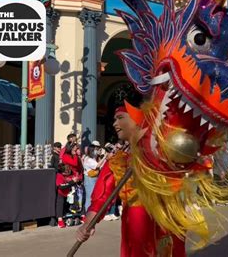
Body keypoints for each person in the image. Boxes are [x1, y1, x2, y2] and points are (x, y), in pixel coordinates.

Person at [76, 105, 186, 256]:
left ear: (138, 119)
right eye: (115, 119)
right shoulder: (117, 161)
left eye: (120, 118)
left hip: (165, 221)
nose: (115, 124)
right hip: (134, 223)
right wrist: (88, 223)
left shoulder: (163, 152)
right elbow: (101, 197)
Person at [56, 164, 81, 228]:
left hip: (69, 193)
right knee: (60, 204)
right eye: (67, 172)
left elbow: (76, 178)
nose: (68, 173)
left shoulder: (70, 174)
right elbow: (61, 186)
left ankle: (76, 215)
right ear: (63, 172)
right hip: (61, 193)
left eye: (69, 171)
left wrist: (77, 180)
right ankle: (60, 220)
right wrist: (72, 182)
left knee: (72, 204)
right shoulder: (59, 176)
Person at [82, 144, 100, 212]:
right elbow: (97, 165)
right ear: (92, 150)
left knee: (91, 196)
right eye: (95, 149)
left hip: (91, 178)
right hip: (90, 179)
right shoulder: (89, 159)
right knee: (89, 197)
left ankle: (90, 212)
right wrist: (105, 157)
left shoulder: (90, 158)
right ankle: (88, 213)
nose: (96, 151)